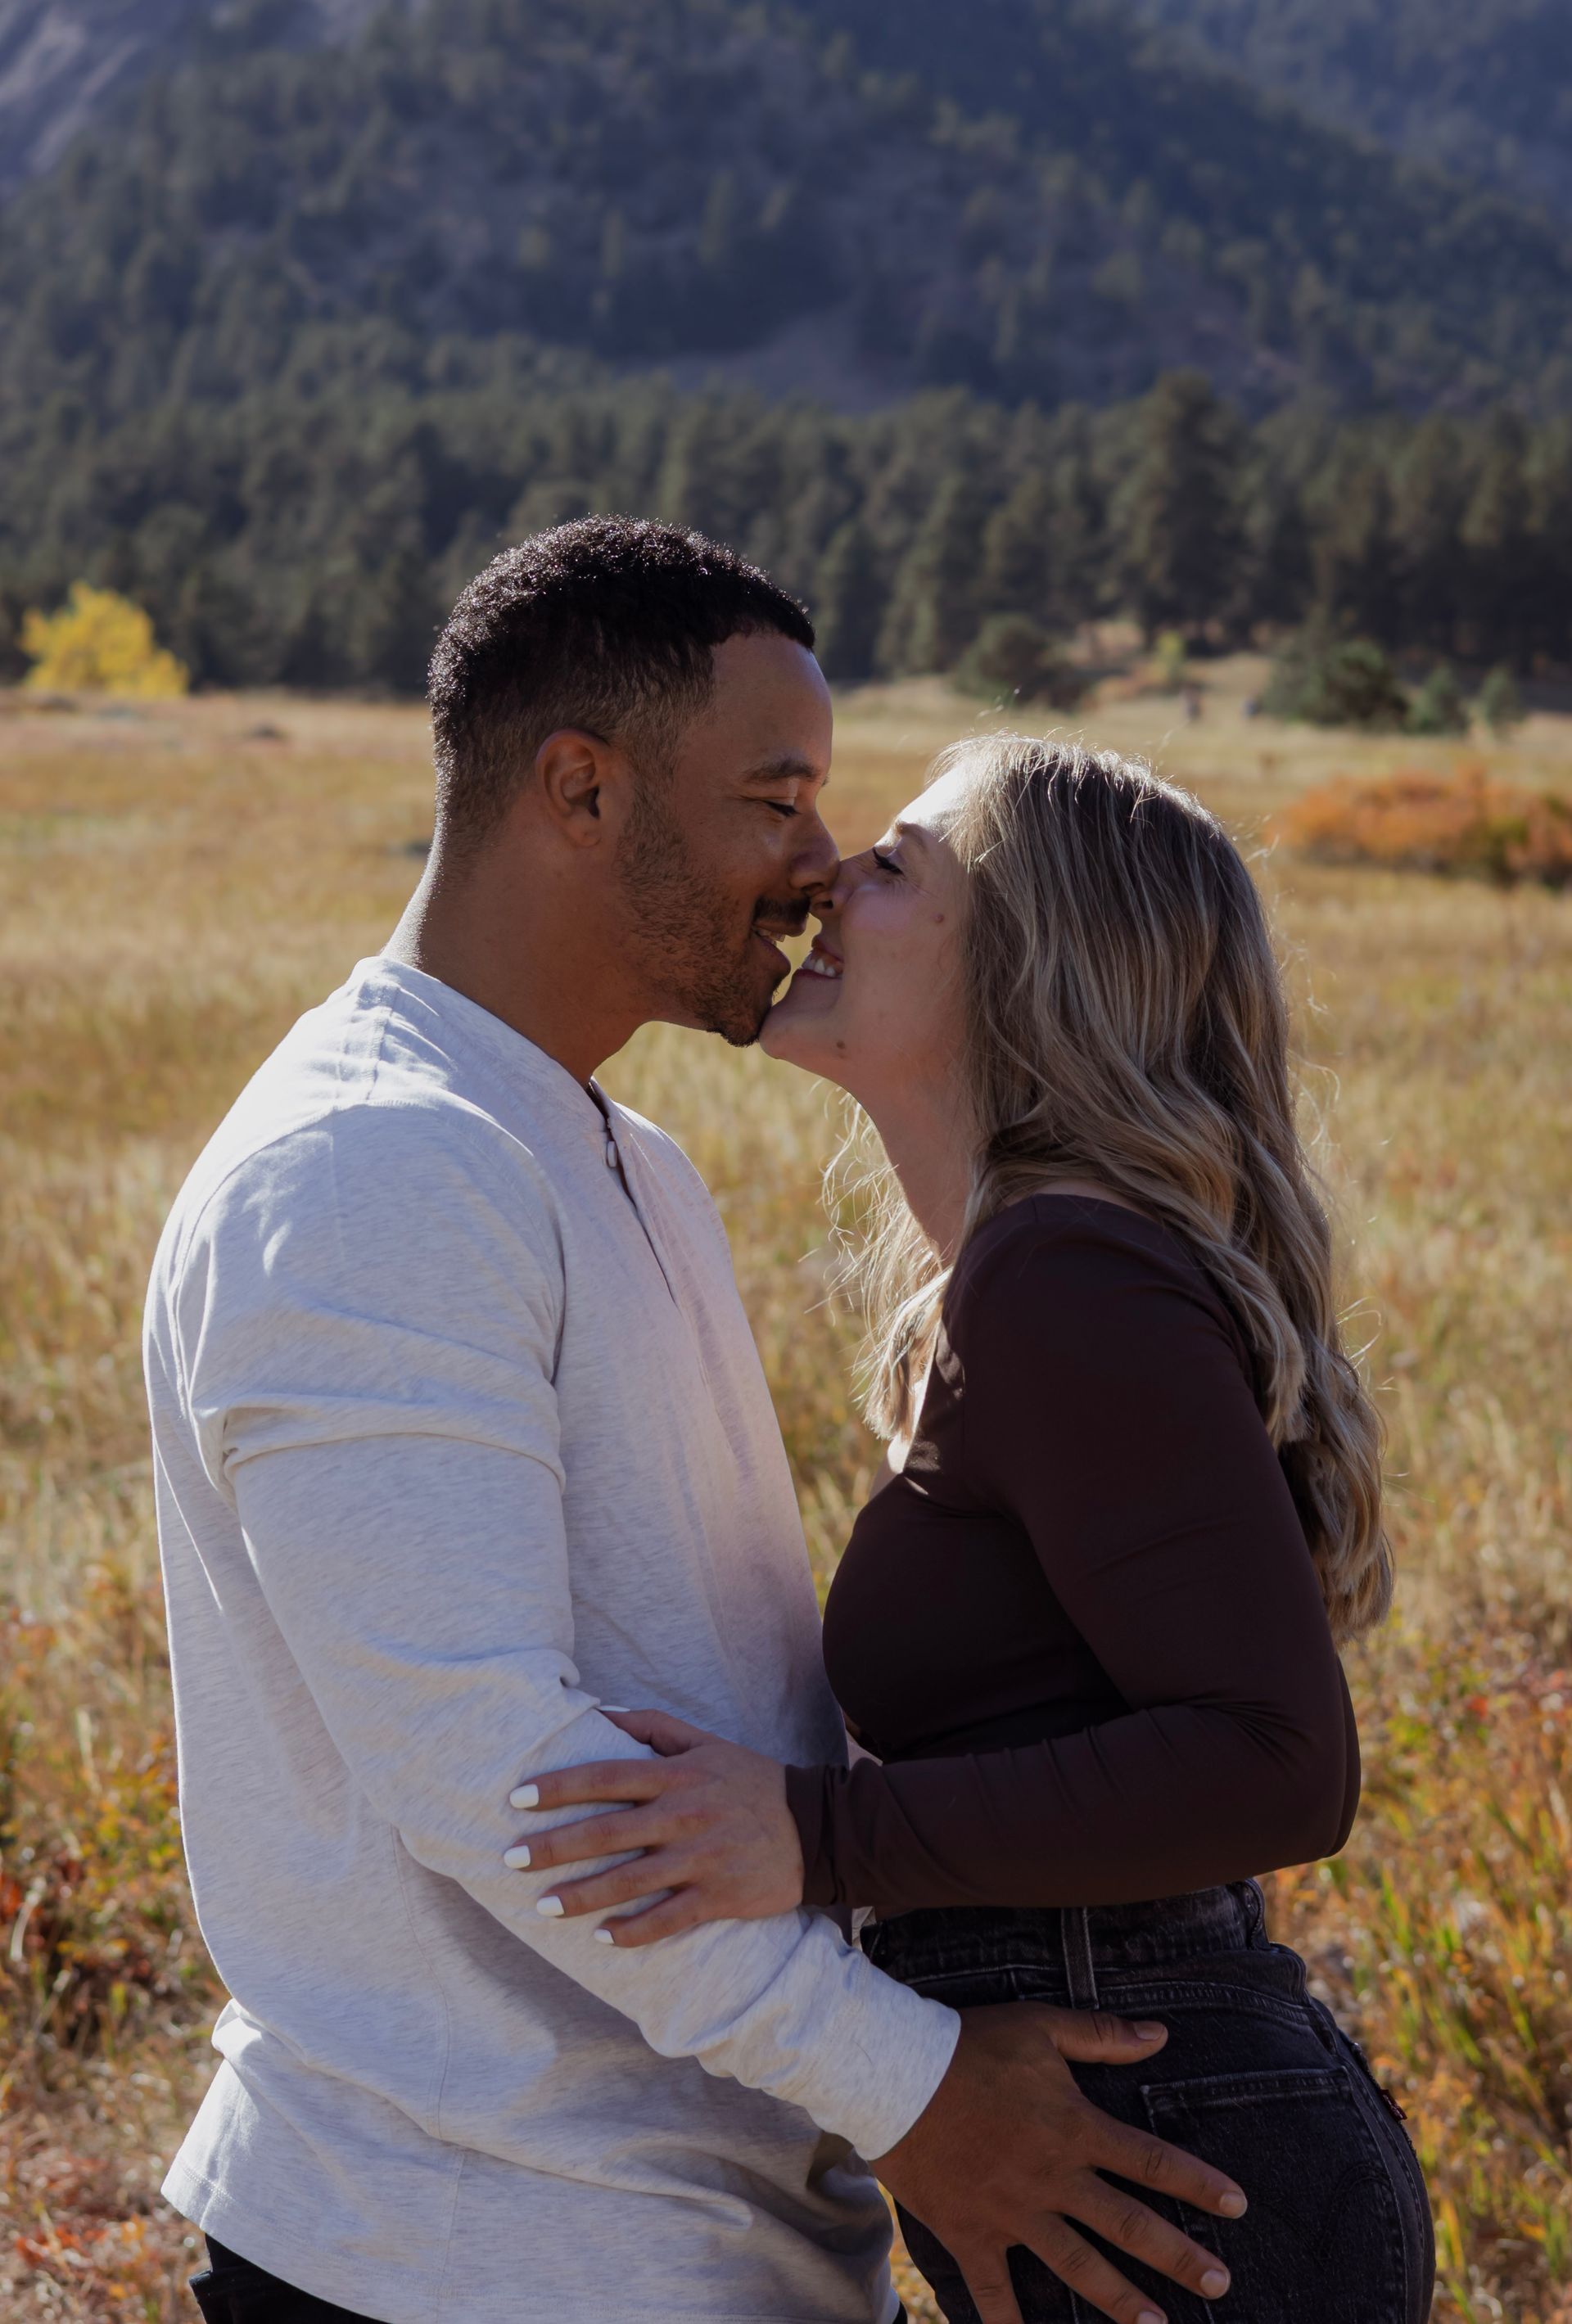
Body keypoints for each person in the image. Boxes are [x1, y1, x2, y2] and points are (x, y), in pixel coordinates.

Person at [145, 523, 1249, 2324]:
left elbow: (728, 1706)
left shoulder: (614, 1158)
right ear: (580, 791)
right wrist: (915, 2089)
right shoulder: (368, 1172)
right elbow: (499, 1778)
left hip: (686, 2234)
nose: (821, 863)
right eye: (777, 797)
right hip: (471, 2253)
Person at [508, 736, 1438, 2324]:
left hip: (1178, 2171)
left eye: (894, 868)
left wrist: (816, 1835)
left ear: (1030, 962)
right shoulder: (1026, 1281)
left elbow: (1282, 1758)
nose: (823, 879)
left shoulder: (1068, 1276)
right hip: (1143, 2137)